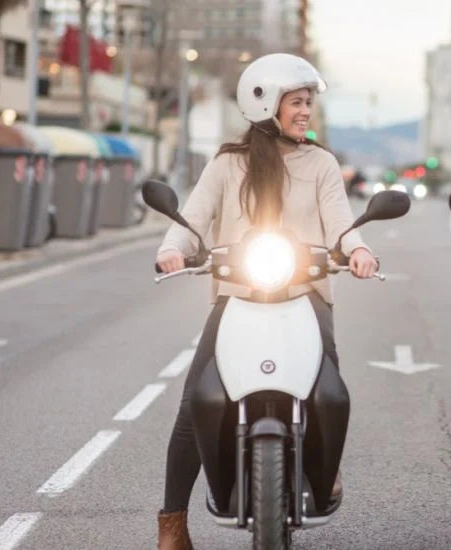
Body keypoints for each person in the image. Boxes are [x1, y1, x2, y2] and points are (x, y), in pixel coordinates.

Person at [153, 53, 377, 550]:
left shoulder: (320, 163)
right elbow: (193, 217)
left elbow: (340, 221)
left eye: (309, 103)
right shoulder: (228, 163)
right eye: (297, 102)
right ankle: (171, 524)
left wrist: (358, 248)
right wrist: (173, 249)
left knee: (329, 385)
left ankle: (325, 466)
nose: (305, 112)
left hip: (305, 291)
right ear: (266, 104)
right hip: (237, 294)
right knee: (195, 402)